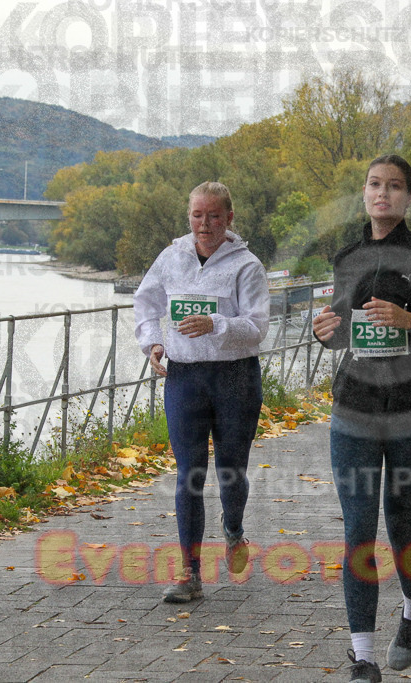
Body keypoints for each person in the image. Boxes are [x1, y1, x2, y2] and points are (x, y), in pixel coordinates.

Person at [311, 154, 411, 682]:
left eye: (395, 187)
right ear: (364, 192)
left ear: (407, 197)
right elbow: (345, 334)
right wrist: (325, 330)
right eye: (375, 185)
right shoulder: (347, 254)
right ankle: (363, 657)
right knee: (358, 532)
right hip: (353, 405)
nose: (384, 195)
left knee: (401, 526)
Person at [133, 181, 270, 603]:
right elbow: (147, 304)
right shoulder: (170, 259)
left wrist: (217, 324)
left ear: (229, 218)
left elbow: (258, 326)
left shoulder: (246, 265)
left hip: (234, 379)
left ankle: (233, 531)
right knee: (188, 474)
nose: (204, 224)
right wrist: (153, 343)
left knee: (231, 471)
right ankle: (189, 574)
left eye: (213, 216)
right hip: (185, 378)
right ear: (188, 217)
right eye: (197, 215)